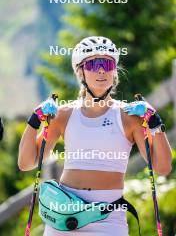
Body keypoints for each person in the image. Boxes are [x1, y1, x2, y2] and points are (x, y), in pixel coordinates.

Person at [18, 36, 172, 236]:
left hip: (108, 220)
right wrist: (33, 121)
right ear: (81, 71)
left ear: (114, 71)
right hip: (64, 216)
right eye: (94, 64)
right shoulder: (63, 115)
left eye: (108, 64)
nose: (102, 70)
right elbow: (27, 163)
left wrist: (156, 124)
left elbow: (163, 167)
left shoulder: (129, 117)